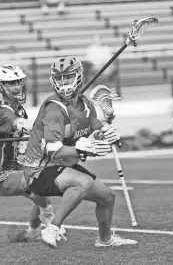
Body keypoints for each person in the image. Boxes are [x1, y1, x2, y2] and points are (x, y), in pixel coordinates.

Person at [18, 56, 138, 248]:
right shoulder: (55, 110)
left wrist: (108, 133)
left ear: (79, 76)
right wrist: (82, 148)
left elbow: (95, 129)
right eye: (60, 79)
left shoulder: (85, 104)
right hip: (38, 171)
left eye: (68, 78)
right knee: (84, 181)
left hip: (61, 167)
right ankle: (52, 228)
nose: (64, 84)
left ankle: (105, 240)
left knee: (107, 197)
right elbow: (53, 152)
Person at [0, 64, 66, 242]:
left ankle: (33, 231)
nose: (16, 86)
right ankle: (49, 219)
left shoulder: (18, 109)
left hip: (15, 167)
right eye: (10, 83)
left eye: (18, 82)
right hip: (1, 176)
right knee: (41, 184)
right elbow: (26, 127)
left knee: (49, 175)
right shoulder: (0, 113)